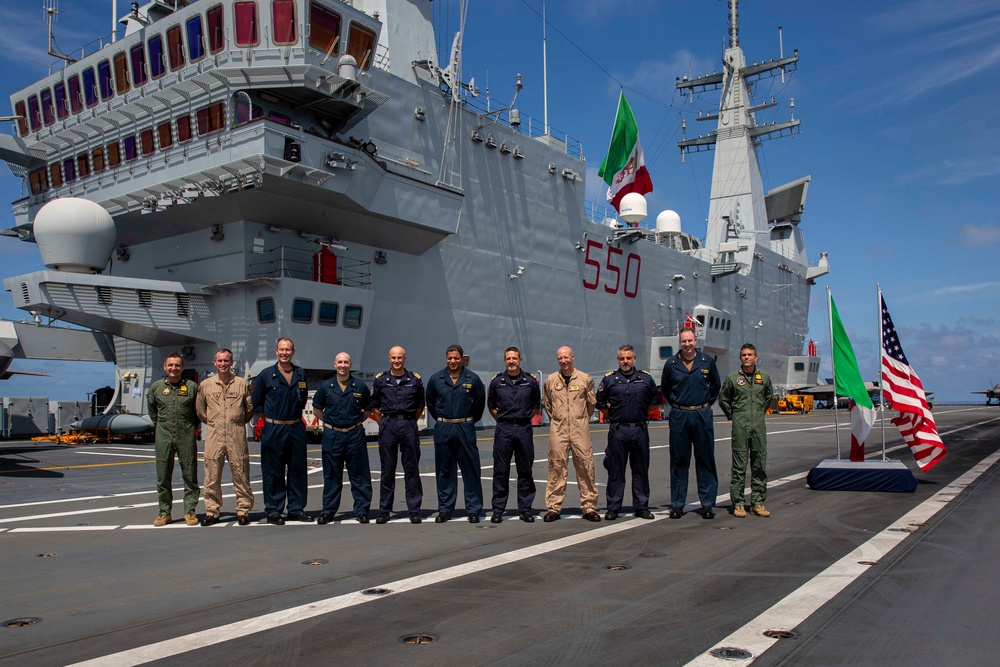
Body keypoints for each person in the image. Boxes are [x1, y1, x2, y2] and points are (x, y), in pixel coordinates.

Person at [661, 328, 722, 519]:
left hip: (701, 415)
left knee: (705, 459)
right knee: (679, 460)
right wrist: (679, 406)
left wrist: (704, 405)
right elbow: (666, 388)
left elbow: (715, 386)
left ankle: (707, 504)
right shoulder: (671, 364)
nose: (687, 344)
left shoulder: (707, 362)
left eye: (690, 341)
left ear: (696, 341)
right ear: (680, 342)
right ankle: (678, 504)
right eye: (683, 341)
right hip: (679, 415)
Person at [252, 338, 312, 525]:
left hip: (295, 427)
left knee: (297, 470)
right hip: (274, 427)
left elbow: (302, 401)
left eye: (288, 350)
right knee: (273, 471)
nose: (285, 353)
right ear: (276, 351)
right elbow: (257, 403)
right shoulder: (265, 375)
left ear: (293, 351)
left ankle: (296, 509)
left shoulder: (300, 374)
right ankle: (274, 510)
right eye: (281, 350)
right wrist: (271, 420)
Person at [596, 344, 659, 521]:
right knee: (616, 470)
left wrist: (641, 414)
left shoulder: (646, 379)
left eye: (628, 358)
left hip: (639, 428)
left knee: (640, 469)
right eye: (622, 358)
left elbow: (654, 401)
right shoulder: (609, 380)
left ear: (634, 359)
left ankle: (641, 506)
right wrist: (615, 417)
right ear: (618, 359)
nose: (625, 361)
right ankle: (613, 506)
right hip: (618, 430)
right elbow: (600, 403)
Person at [425, 345, 486, 523]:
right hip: (444, 428)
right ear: (446, 359)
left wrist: (467, 421)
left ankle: (474, 509)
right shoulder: (436, 379)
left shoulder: (472, 379)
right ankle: (445, 509)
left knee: (471, 469)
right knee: (445, 470)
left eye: (456, 358)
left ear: (462, 359)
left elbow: (479, 405)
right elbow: (430, 402)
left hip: (465, 427)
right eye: (450, 358)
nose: (453, 361)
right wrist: (442, 419)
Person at [312, 352, 373, 525]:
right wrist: (332, 423)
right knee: (331, 475)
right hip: (333, 436)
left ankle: (362, 510)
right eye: (340, 362)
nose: (343, 365)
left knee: (359, 475)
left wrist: (352, 424)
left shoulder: (359, 386)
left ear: (350, 364)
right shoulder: (325, 386)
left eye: (346, 362)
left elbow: (367, 410)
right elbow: (317, 409)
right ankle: (328, 511)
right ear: (334, 364)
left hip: (355, 436)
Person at [196, 348, 255, 526]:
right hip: (214, 435)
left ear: (231, 362)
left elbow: (249, 410)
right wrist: (214, 422)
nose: (223, 364)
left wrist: (234, 422)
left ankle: (243, 510)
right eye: (220, 361)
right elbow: (200, 410)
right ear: (215, 363)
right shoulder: (205, 385)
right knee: (212, 475)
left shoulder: (242, 384)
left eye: (226, 361)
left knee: (241, 473)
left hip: (236, 434)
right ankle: (211, 511)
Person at [542, 346, 600, 522]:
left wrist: (578, 419)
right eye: (560, 358)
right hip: (558, 428)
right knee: (556, 467)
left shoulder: (585, 379)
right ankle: (553, 507)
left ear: (572, 357)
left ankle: (589, 506)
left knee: (585, 465)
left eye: (566, 357)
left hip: (579, 428)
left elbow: (591, 404)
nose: (563, 361)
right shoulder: (551, 381)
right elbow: (548, 405)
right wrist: (560, 419)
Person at [371, 346, 425, 524]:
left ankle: (414, 509)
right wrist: (385, 424)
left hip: (408, 423)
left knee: (411, 469)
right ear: (389, 359)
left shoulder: (414, 380)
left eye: (399, 358)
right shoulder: (381, 380)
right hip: (389, 424)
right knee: (387, 469)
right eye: (393, 358)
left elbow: (419, 406)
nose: (396, 361)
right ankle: (385, 510)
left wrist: (408, 421)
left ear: (405, 358)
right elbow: (375, 406)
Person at [487, 346, 541, 523]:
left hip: (524, 429)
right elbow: (492, 407)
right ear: (505, 360)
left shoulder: (530, 381)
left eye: (514, 358)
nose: (511, 361)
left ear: (520, 360)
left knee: (525, 469)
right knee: (500, 470)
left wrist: (522, 419)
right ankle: (498, 509)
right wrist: (505, 420)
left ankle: (525, 508)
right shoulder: (497, 382)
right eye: (508, 358)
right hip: (504, 429)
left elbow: (535, 407)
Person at [720, 343, 773, 518]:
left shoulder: (764, 377)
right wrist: (734, 416)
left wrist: (758, 414)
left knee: (759, 464)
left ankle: (757, 502)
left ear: (756, 357)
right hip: (740, 426)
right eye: (744, 355)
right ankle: (739, 503)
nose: (747, 357)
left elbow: (768, 397)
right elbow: (724, 399)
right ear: (740, 358)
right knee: (739, 466)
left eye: (750, 354)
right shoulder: (733, 378)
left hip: (758, 425)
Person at [147, 352, 200, 527]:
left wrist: (190, 427)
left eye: (177, 365)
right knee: (163, 476)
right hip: (164, 435)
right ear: (165, 367)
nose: (173, 368)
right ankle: (164, 512)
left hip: (186, 434)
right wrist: (161, 426)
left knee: (190, 475)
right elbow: (152, 411)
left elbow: (198, 412)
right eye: (170, 365)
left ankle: (190, 511)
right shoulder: (156, 388)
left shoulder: (192, 387)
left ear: (182, 367)